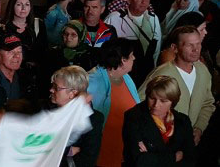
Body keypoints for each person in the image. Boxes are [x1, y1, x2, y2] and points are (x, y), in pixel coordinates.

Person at [139, 26, 215, 148]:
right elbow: (140, 104)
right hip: (162, 145)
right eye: (190, 45)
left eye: (198, 44)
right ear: (174, 48)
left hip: (190, 144)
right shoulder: (162, 74)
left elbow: (207, 103)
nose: (196, 49)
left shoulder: (202, 71)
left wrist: (199, 128)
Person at [87, 38, 140, 167]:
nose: (135, 58)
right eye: (132, 55)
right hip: (102, 149)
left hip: (123, 147)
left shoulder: (126, 77)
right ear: (123, 59)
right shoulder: (93, 80)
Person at [122, 76, 196, 165]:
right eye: (152, 98)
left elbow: (190, 158)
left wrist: (152, 156)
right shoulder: (134, 117)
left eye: (163, 101)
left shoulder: (183, 121)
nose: (156, 105)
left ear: (173, 102)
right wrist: (174, 157)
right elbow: (140, 160)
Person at [49, 66, 103, 167]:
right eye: (52, 86)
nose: (51, 90)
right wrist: (69, 151)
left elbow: (88, 160)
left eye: (56, 88)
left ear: (72, 93)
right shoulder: (45, 110)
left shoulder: (94, 119)